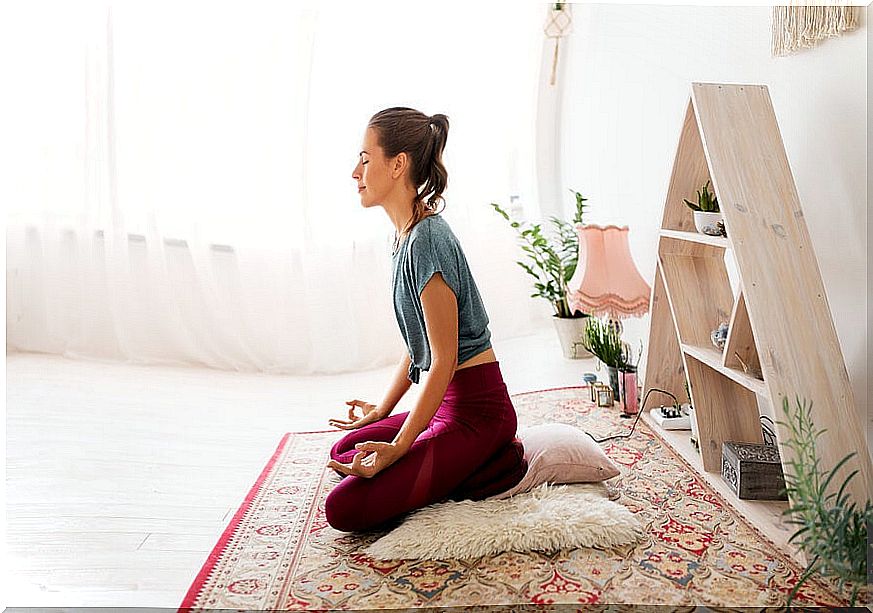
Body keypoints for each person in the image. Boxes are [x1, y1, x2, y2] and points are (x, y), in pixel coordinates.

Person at [323, 107, 527, 532]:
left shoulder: (428, 240)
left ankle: (495, 461)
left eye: (364, 158)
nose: (354, 171)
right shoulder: (404, 238)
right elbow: (419, 346)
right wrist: (382, 410)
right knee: (346, 450)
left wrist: (400, 446)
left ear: (398, 165)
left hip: (478, 412)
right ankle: (460, 460)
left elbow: (445, 358)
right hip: (442, 405)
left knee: (344, 510)